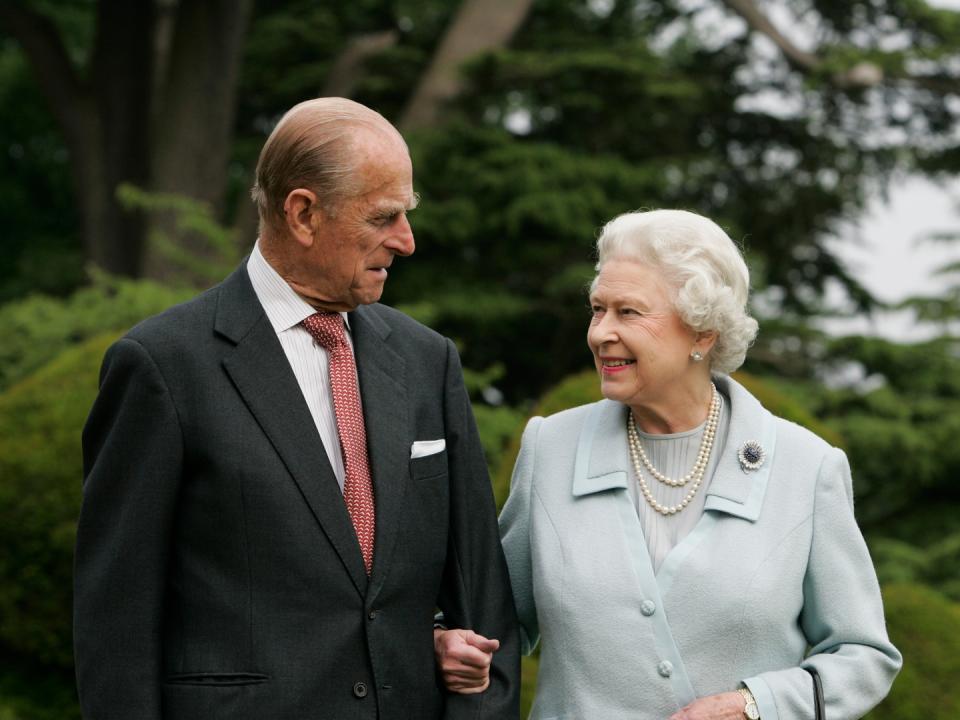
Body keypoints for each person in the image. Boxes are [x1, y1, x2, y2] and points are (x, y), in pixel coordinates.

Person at [74, 97, 519, 720]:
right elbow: (114, 625)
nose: (407, 241)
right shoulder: (161, 366)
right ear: (303, 214)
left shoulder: (428, 361)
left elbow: (483, 603)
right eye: (384, 216)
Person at [434, 209, 901, 719]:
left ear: (702, 333)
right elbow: (493, 620)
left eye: (629, 313)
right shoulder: (552, 447)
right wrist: (448, 640)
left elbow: (864, 657)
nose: (599, 333)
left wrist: (753, 706)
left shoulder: (806, 468)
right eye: (597, 309)